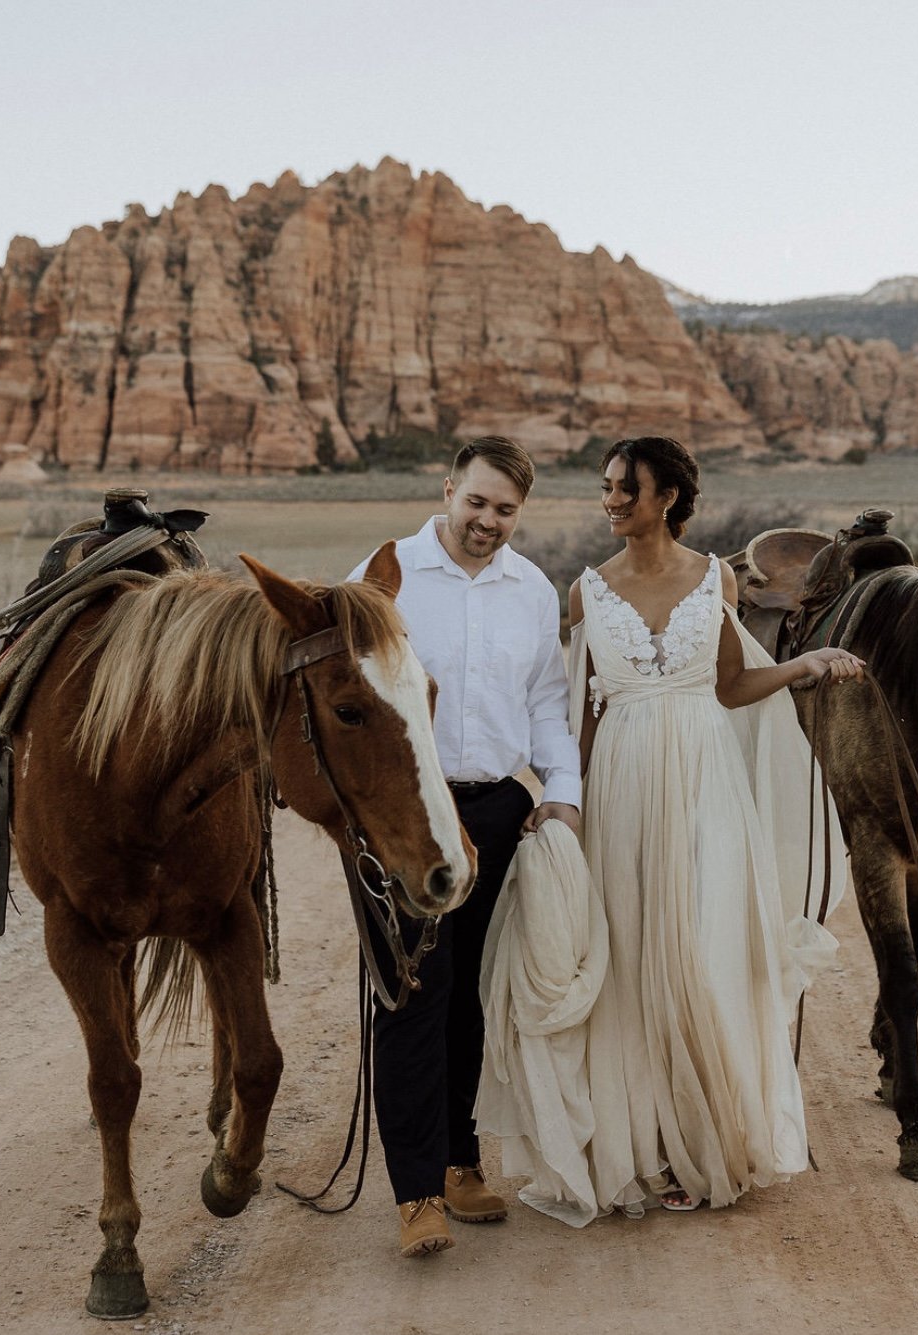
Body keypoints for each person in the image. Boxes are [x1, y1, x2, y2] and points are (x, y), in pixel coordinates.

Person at [479, 435, 862, 1225]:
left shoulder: (713, 577)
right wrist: (563, 803)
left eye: (626, 487)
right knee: (630, 955)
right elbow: (578, 715)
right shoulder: (587, 591)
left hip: (703, 780)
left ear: (668, 500)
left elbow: (728, 685)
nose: (610, 499)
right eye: (607, 486)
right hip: (619, 780)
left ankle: (702, 1138)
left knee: (698, 948)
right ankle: (645, 1146)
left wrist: (803, 665)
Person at [344, 435, 582, 1258]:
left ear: (522, 511)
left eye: (505, 510)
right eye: (475, 502)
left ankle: (457, 1162)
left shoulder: (530, 589)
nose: (487, 521)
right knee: (413, 992)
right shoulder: (383, 576)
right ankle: (416, 1194)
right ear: (447, 488)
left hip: (493, 813)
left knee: (472, 992)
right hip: (406, 820)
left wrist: (558, 793)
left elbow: (548, 702)